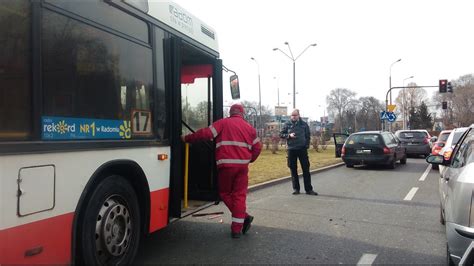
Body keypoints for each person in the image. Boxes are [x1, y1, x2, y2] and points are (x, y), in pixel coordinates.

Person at [181, 103, 262, 238]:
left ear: (231, 113)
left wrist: (187, 138)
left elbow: (205, 133)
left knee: (225, 193)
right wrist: (250, 159)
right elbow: (258, 148)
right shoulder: (250, 128)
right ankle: (237, 229)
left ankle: (243, 218)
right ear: (242, 113)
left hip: (226, 167)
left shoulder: (223, 123)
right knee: (239, 196)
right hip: (242, 167)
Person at [280, 109, 318, 196]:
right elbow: (281, 134)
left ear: (298, 115)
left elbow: (308, 136)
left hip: (302, 149)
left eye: (295, 115)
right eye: (292, 115)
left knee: (306, 169)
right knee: (293, 169)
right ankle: (296, 189)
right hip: (291, 149)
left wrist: (306, 145)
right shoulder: (287, 124)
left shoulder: (304, 124)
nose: (293, 117)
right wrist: (288, 136)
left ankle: (309, 189)